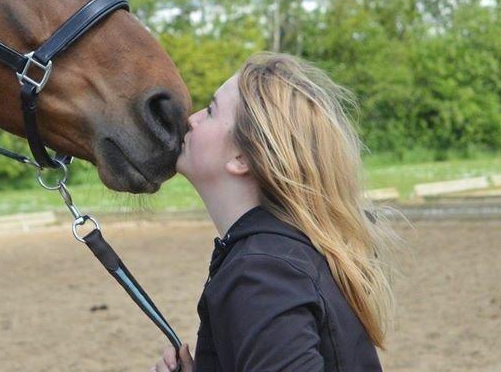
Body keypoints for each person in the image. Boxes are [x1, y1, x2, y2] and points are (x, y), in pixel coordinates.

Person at [149, 52, 395, 372]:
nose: (192, 119)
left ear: (242, 158)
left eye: (210, 111)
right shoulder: (286, 254)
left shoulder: (261, 274)